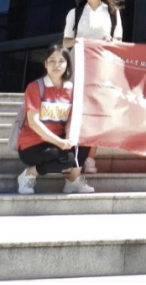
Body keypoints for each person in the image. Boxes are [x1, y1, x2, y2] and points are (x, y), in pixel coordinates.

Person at [63, 0, 123, 174]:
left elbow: (118, 40)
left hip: (102, 68)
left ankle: (90, 158)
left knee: (97, 112)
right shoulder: (75, 13)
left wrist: (110, 42)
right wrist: (80, 41)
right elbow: (65, 41)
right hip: (78, 67)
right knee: (76, 111)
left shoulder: (112, 12)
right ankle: (71, 156)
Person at [17, 43, 94, 195]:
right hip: (32, 145)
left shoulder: (71, 89)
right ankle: (29, 174)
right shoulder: (35, 87)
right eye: (52, 61)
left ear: (67, 65)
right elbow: (33, 122)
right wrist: (60, 142)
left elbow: (72, 120)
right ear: (45, 64)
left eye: (61, 61)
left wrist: (69, 138)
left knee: (84, 140)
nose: (56, 65)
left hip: (57, 142)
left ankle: (73, 181)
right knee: (66, 159)